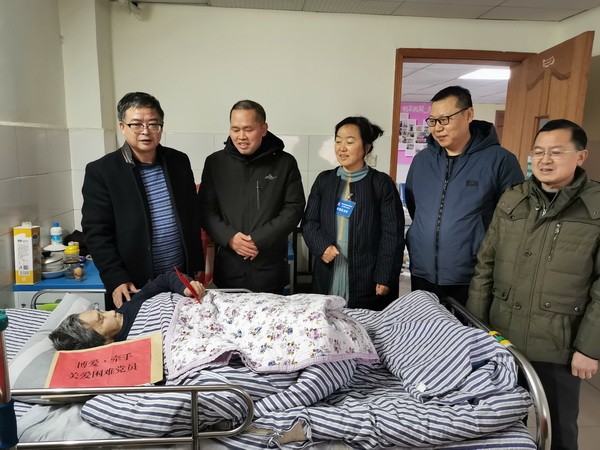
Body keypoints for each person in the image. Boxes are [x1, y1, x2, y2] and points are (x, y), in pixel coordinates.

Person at [467, 119, 600, 450]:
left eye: (556, 152)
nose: (545, 160)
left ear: (581, 156)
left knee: (558, 430)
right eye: (538, 152)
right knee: (501, 424)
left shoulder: (595, 207)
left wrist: (589, 348)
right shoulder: (514, 198)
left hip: (557, 342)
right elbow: (485, 264)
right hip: (501, 337)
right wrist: (475, 329)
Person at [82, 92, 203, 309]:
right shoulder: (102, 171)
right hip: (133, 284)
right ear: (122, 127)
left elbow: (191, 217)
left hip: (180, 279)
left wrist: (196, 264)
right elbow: (97, 232)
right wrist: (116, 277)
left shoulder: (178, 161)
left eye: (153, 124)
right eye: (136, 124)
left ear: (161, 127)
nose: (145, 131)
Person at [404, 85, 523, 305]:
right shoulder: (422, 161)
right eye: (433, 121)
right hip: (422, 271)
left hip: (472, 276)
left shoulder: (500, 160)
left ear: (468, 115)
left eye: (444, 119)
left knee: (464, 327)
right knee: (422, 326)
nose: (437, 128)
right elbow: (414, 206)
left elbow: (514, 221)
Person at [198, 100, 305, 293]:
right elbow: (205, 209)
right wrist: (230, 238)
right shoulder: (215, 163)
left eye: (248, 129)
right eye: (235, 129)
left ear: (263, 129)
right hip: (229, 267)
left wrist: (258, 239)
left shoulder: (285, 163)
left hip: (270, 267)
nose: (241, 136)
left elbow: (293, 208)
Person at [302, 116, 405, 310]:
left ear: (366, 147)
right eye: (338, 141)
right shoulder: (324, 180)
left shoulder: (381, 183)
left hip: (367, 272)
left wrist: (385, 276)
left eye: (349, 142)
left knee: (363, 321)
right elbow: (309, 222)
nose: (342, 148)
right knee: (327, 319)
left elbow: (393, 234)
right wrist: (322, 246)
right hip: (329, 266)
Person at [49, 271, 205, 350]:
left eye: (101, 312)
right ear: (104, 342)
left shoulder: (129, 306)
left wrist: (185, 287)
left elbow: (165, 279)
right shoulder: (130, 351)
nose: (111, 312)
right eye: (102, 319)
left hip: (202, 304)